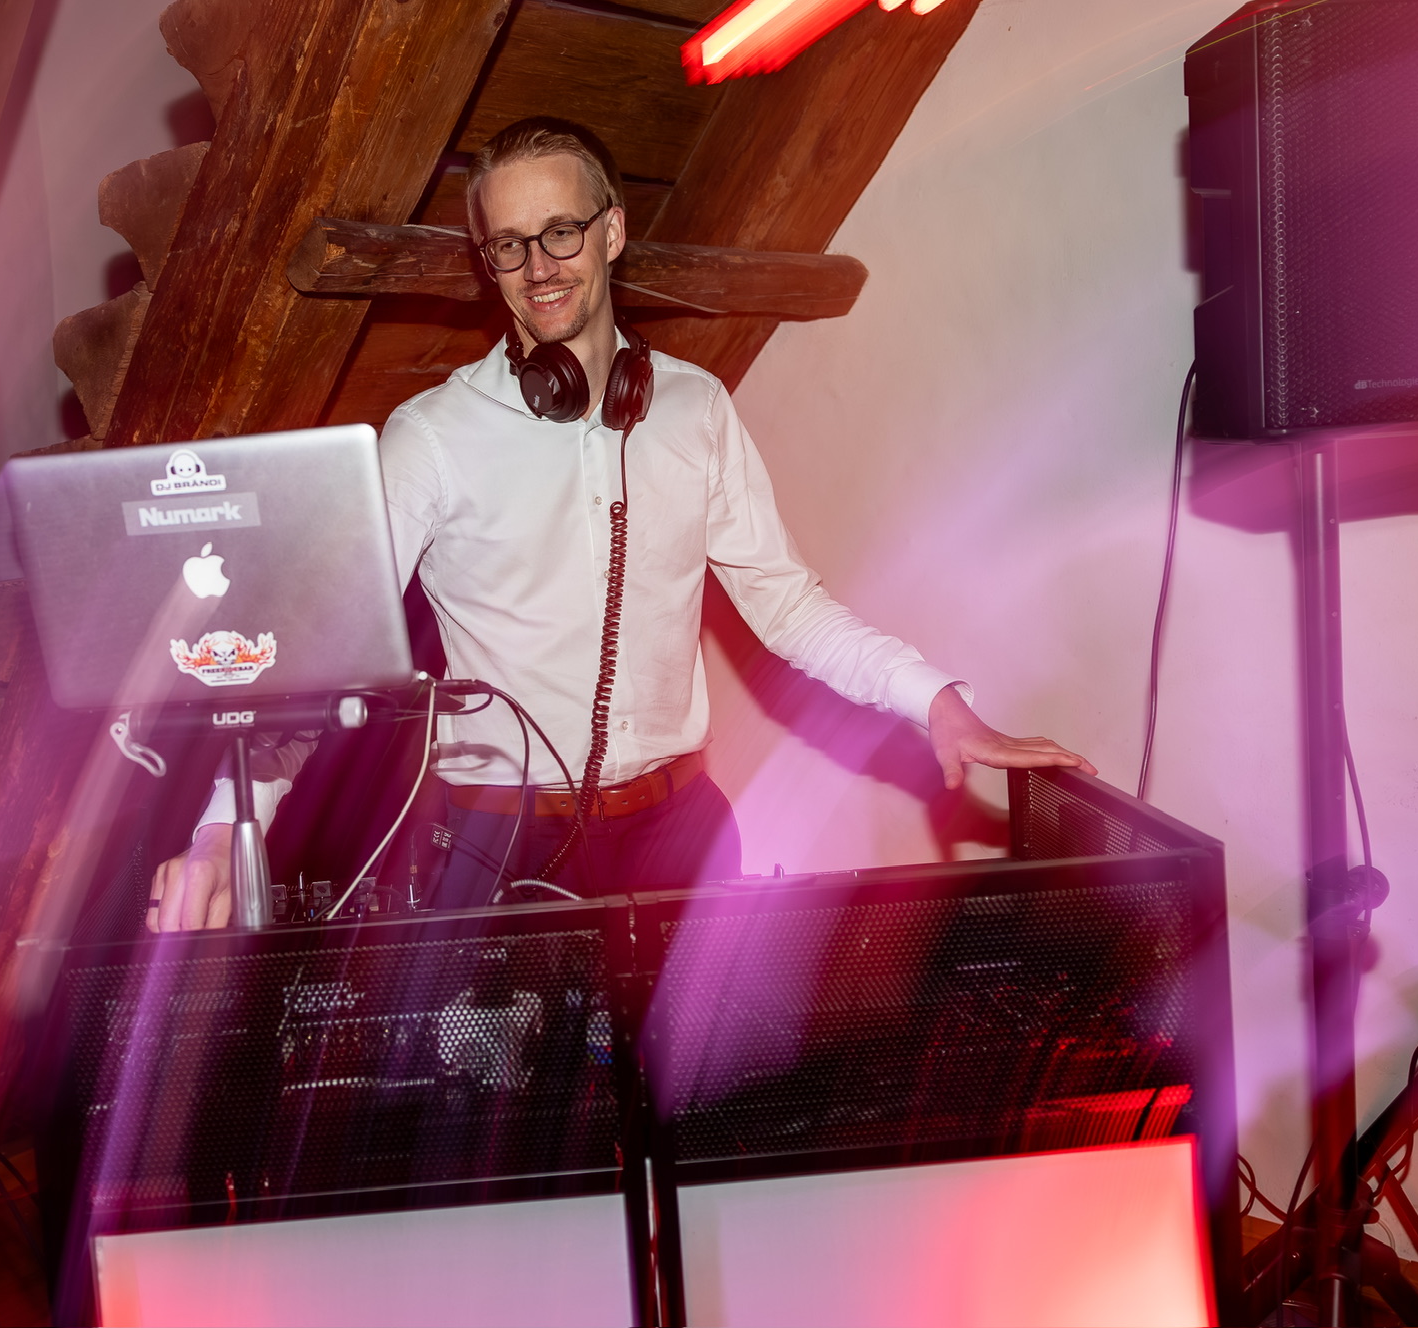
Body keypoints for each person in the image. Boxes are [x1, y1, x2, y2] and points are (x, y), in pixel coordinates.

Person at [147, 117, 1092, 930]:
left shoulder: (695, 407)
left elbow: (788, 605)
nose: (538, 267)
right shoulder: (430, 437)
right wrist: (221, 832)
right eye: (508, 245)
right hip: (490, 844)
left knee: (706, 1087)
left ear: (612, 232)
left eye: (560, 231)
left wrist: (937, 702)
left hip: (680, 833)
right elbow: (322, 652)